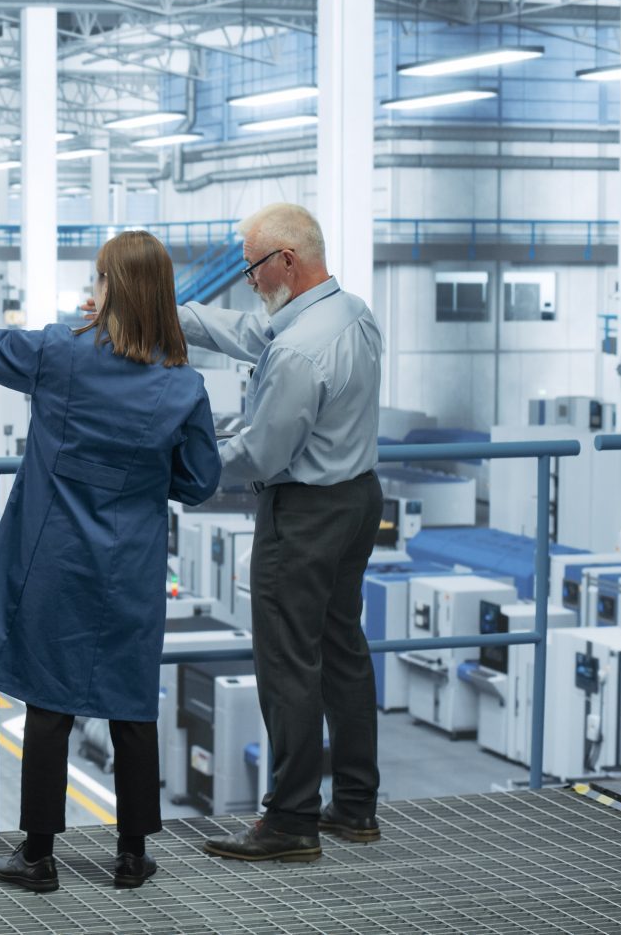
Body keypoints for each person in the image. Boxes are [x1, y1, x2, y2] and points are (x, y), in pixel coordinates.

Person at [0, 229, 220, 893]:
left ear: (110, 288)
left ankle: (39, 855)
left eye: (101, 279)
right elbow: (198, 479)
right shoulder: (183, 384)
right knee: (131, 703)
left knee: (50, 702)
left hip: (58, 559)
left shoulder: (60, 351)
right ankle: (134, 853)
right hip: (133, 563)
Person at [181, 202, 386, 862]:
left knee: (289, 664)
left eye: (252, 266)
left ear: (287, 262)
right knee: (343, 651)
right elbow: (250, 330)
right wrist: (165, 312)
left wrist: (184, 459)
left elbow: (259, 454)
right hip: (358, 500)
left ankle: (292, 820)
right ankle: (354, 807)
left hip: (303, 515)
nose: (247, 279)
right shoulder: (348, 311)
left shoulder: (297, 349)